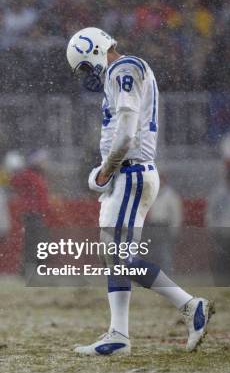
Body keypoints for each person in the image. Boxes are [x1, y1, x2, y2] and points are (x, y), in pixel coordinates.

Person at [66, 27, 213, 356]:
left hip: (130, 171)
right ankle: (119, 334)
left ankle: (189, 306)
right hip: (129, 172)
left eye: (86, 67)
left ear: (93, 51)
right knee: (115, 255)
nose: (89, 76)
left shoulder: (123, 68)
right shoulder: (121, 71)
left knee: (120, 257)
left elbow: (128, 131)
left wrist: (105, 171)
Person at [145, 175, 183, 274]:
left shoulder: (171, 195)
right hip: (151, 227)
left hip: (164, 227)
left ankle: (166, 277)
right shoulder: (151, 193)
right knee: (150, 254)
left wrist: (174, 230)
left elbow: (176, 215)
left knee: (165, 254)